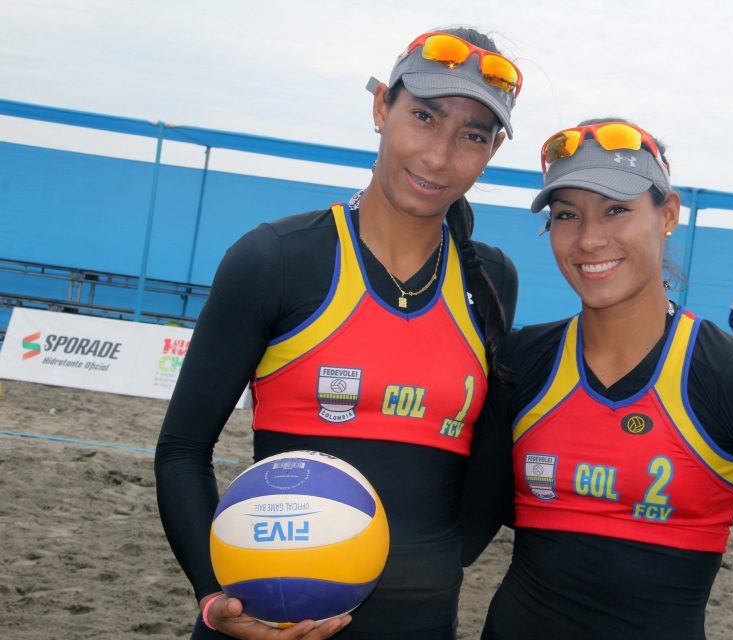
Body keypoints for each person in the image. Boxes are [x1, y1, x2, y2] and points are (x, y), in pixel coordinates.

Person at [461, 119, 733, 639]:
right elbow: (462, 535)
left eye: (616, 209)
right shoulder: (522, 359)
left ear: (668, 214)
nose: (589, 238)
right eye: (567, 215)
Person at [155, 27, 523, 640]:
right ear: (381, 108)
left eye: (473, 136)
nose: (438, 155)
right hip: (266, 622)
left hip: (419, 623)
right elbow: (182, 452)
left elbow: (487, 460)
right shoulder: (276, 259)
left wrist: (434, 561)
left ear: (492, 150)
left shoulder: (490, 279)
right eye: (424, 117)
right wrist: (214, 594)